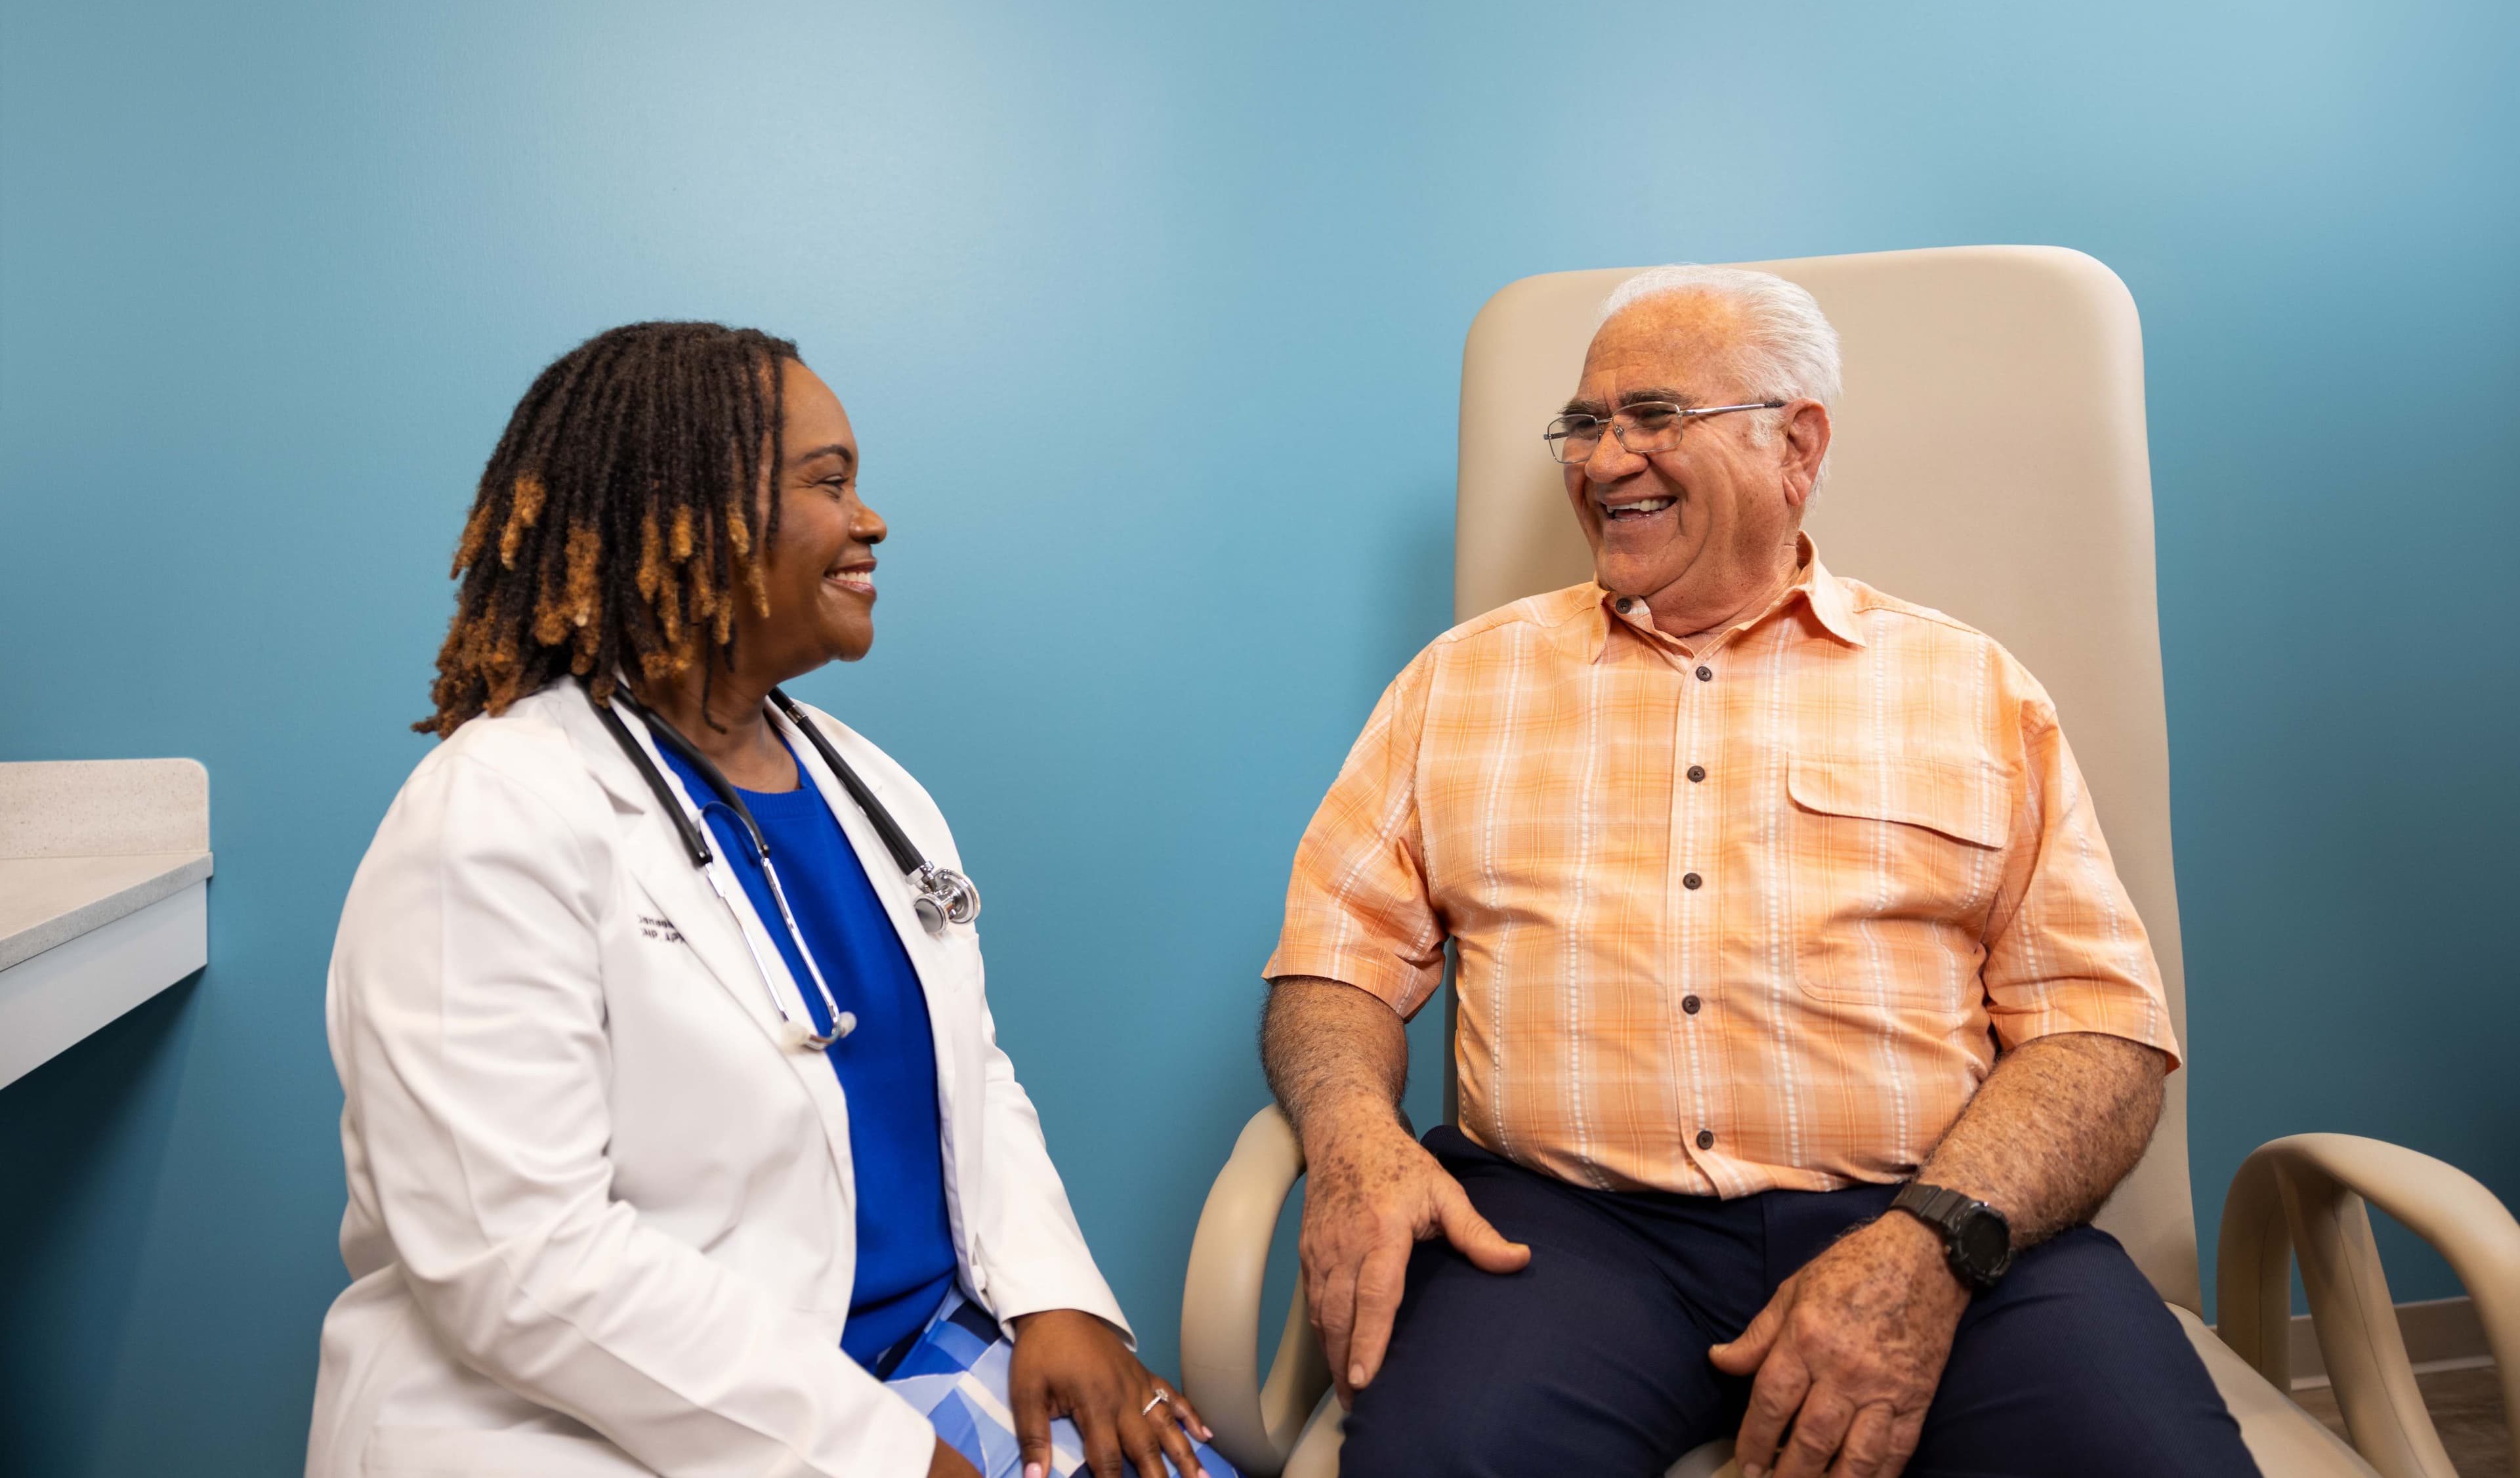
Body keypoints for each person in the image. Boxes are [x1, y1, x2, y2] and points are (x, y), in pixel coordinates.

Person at [1257, 268, 2256, 1477]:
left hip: (1936, 1216)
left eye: (1654, 415)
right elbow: (1332, 967)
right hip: (1569, 1234)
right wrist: (1357, 1134)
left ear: (1798, 443)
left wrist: (1930, 1246)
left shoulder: (1974, 691)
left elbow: (2101, 1033)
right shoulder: (1457, 685)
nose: (1603, 458)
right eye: (1584, 423)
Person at [308, 322, 1233, 1478]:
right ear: (692, 512)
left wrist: (1058, 1296)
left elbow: (971, 1074)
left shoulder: (870, 787)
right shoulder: (490, 816)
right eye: (829, 484)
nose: (871, 519)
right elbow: (518, 1261)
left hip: (916, 1351)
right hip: (603, 1424)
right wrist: (884, 1460)